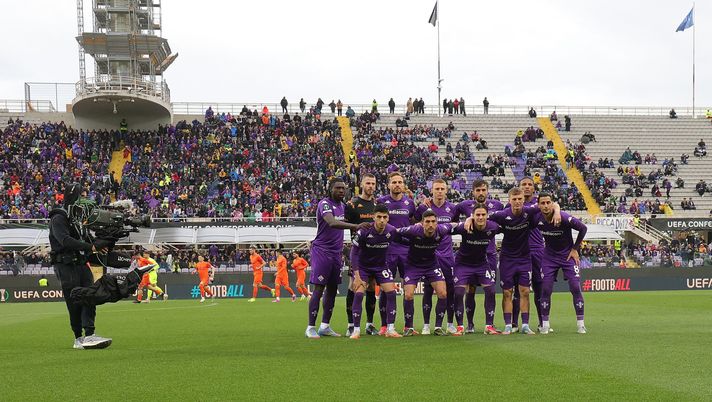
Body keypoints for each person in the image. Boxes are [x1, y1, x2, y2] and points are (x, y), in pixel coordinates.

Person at [488, 187, 560, 335]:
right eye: (514, 199)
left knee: (525, 291)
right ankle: (508, 325)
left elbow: (552, 204)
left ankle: (525, 325)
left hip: (524, 258)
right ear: (509, 201)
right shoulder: (502, 215)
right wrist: (470, 219)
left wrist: (557, 211)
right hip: (507, 258)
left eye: (519, 199)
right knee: (507, 292)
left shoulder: (529, 211)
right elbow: (481, 217)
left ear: (523, 200)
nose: (517, 202)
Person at [49, 182, 111, 349]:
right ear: (72, 198)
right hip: (66, 265)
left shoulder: (78, 220)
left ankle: (90, 335)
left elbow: (87, 240)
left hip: (82, 263)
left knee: (90, 296)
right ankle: (78, 337)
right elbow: (65, 241)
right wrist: (90, 247)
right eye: (81, 196)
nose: (85, 200)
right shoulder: (58, 218)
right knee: (75, 300)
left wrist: (100, 245)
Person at [305, 178, 370, 339]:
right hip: (322, 251)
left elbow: (355, 217)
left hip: (336, 253)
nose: (341, 191)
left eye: (343, 188)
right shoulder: (324, 204)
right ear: (330, 189)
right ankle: (310, 327)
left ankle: (325, 326)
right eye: (338, 188)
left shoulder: (343, 207)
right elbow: (331, 222)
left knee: (333, 289)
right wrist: (355, 226)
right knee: (319, 288)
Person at [454, 179, 504, 333]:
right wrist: (467, 220)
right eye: (478, 190)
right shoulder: (464, 205)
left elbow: (503, 223)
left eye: (483, 190)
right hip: (469, 255)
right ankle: (469, 324)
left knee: (490, 289)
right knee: (470, 289)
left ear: (487, 191)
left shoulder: (497, 205)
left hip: (488, 255)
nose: (481, 193)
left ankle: (490, 324)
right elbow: (453, 221)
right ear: (473, 192)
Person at [536, 193, 588, 334]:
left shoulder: (563, 217)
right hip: (549, 257)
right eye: (543, 203)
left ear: (552, 203)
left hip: (567, 256)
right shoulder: (536, 218)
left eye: (548, 202)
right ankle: (545, 325)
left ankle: (581, 324)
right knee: (545, 289)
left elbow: (583, 228)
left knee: (575, 287)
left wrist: (575, 249)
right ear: (538, 205)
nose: (546, 206)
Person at [396, 211, 453, 336]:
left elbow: (456, 225)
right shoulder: (413, 230)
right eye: (427, 222)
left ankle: (438, 327)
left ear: (437, 223)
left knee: (443, 293)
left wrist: (470, 219)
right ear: (422, 223)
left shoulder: (442, 230)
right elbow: (395, 232)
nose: (430, 224)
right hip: (413, 265)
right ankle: (409, 327)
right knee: (409, 295)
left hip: (431, 265)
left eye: (433, 221)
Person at [349, 204, 401, 339]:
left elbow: (404, 239)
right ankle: (356, 330)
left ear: (388, 218)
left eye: (385, 217)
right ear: (373, 217)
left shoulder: (392, 231)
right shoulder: (364, 231)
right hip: (363, 267)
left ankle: (390, 328)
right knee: (359, 293)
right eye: (379, 217)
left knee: (391, 292)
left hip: (381, 266)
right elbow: (353, 254)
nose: (382, 220)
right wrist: (357, 275)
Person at [415, 179, 457, 335]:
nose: (439, 191)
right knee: (427, 290)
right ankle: (426, 324)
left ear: (446, 190)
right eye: (437, 188)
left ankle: (449, 323)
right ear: (431, 190)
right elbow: (415, 223)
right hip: (429, 255)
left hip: (447, 257)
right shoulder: (423, 207)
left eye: (442, 188)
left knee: (450, 291)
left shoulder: (453, 208)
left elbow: (458, 225)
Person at [376, 172, 416, 335]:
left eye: (400, 182)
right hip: (387, 250)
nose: (397, 184)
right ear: (388, 185)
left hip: (406, 251)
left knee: (409, 289)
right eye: (394, 182)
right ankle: (384, 325)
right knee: (386, 289)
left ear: (404, 184)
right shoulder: (381, 202)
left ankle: (409, 326)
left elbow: (414, 223)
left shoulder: (410, 203)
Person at [344, 174, 378, 336]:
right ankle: (351, 324)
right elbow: (345, 226)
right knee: (354, 286)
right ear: (361, 184)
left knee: (372, 287)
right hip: (358, 253)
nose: (371, 186)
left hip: (374, 253)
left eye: (373, 183)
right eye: (368, 183)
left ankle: (369, 324)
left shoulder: (378, 205)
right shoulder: (352, 204)